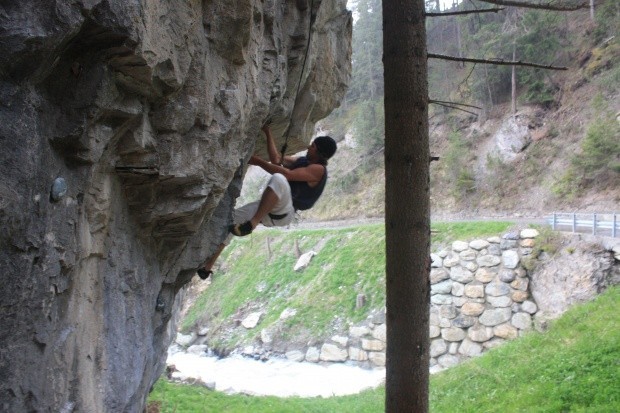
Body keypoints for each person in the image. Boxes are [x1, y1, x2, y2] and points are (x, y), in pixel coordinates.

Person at [197, 124, 337, 280]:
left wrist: (257, 161)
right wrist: (268, 132)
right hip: (270, 209)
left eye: (312, 146)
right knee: (231, 221)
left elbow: (287, 175)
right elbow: (277, 160)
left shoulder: (318, 170)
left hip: (285, 211)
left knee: (279, 179)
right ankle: (207, 267)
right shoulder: (303, 161)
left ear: (319, 152)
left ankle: (253, 223)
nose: (308, 148)